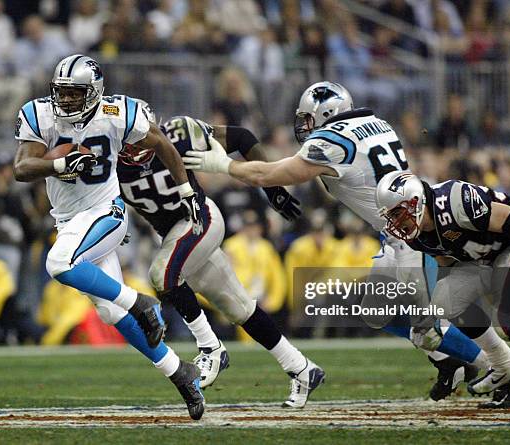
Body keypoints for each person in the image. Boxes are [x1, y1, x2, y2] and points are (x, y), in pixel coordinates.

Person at [182, 81, 490, 401]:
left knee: (426, 326)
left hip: (412, 236)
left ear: (326, 113)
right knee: (379, 311)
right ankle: (449, 362)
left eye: (309, 118)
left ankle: (495, 365)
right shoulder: (377, 124)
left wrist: (224, 165)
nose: (305, 126)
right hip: (400, 229)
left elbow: (273, 174)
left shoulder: (333, 140)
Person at [13, 54, 205, 420]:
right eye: (61, 93)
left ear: (95, 92)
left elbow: (162, 143)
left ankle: (142, 302)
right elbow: (22, 167)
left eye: (75, 94)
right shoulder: (40, 114)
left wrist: (186, 192)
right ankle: (181, 373)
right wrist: (57, 164)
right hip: (70, 222)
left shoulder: (117, 114)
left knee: (58, 262)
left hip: (107, 212)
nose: (65, 101)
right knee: (109, 311)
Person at [118, 108, 324, 408]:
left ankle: (210, 347)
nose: (138, 143)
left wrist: (272, 186)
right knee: (240, 308)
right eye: (131, 137)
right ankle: (302, 368)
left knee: (161, 274)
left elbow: (242, 137)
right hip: (177, 237)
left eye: (144, 134)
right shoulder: (109, 160)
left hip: (200, 220)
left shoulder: (179, 132)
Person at [376, 171, 510, 414]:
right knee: (446, 301)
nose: (395, 222)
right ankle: (505, 367)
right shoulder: (416, 234)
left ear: (415, 201)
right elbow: (447, 263)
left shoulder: (456, 201)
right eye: (390, 216)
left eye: (396, 212)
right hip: (482, 258)